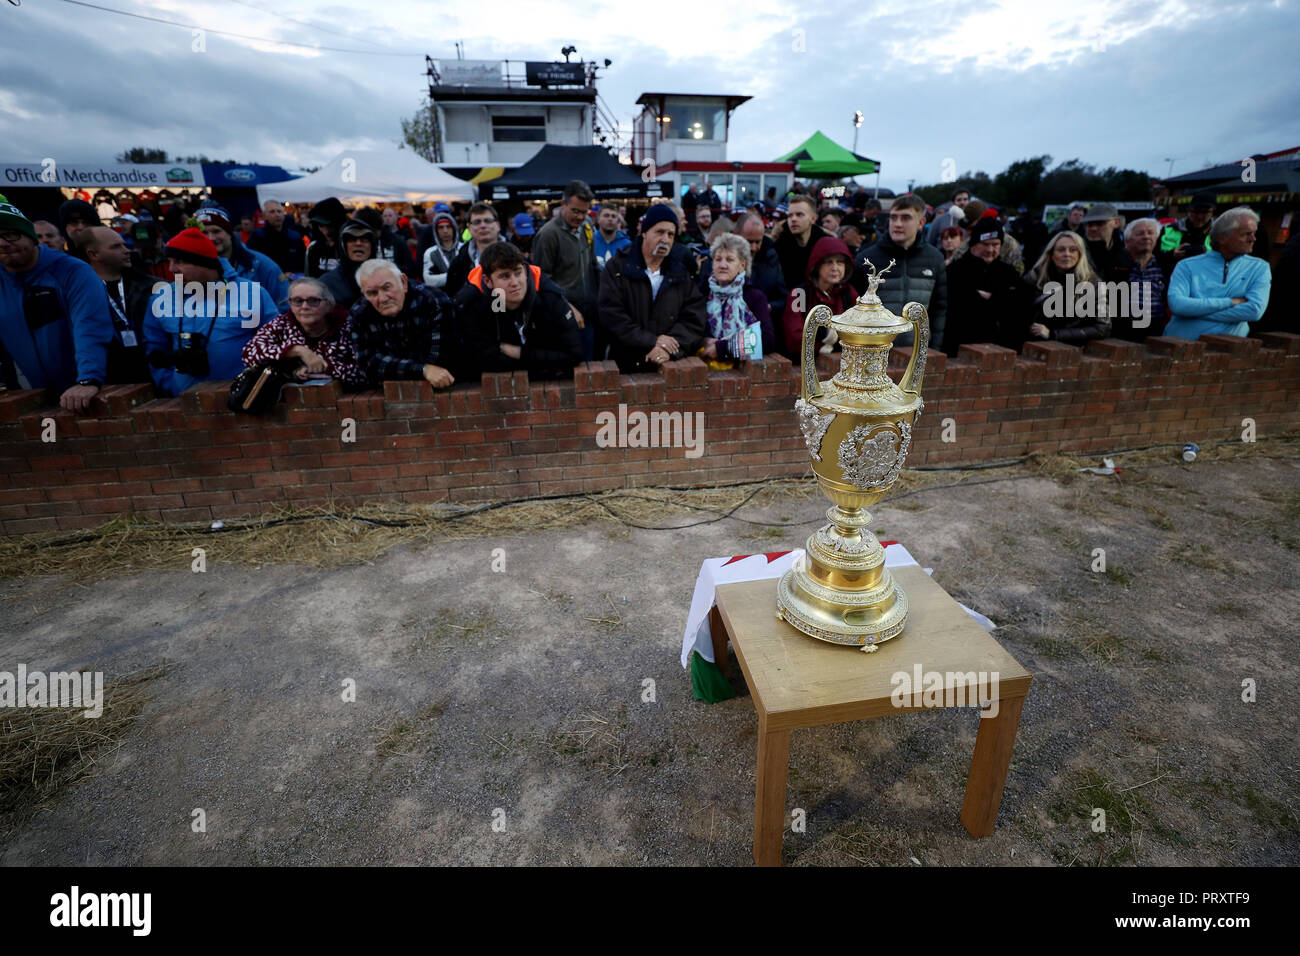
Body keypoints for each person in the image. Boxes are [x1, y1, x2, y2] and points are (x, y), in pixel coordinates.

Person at [0, 197, 113, 411]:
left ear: (31, 237)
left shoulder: (71, 271)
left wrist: (88, 379)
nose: (3, 243)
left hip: (89, 393)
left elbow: (90, 326)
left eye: (11, 234)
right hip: (30, 398)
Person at [142, 228, 276, 397]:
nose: (171, 269)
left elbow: (275, 340)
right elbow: (154, 347)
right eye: (169, 261)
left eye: (179, 262)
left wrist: (258, 384)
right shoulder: (161, 298)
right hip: (185, 401)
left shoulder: (251, 293)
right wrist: (169, 384)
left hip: (243, 398)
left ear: (204, 263)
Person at [597, 203, 707, 372]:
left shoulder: (680, 272)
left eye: (671, 234)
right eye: (660, 232)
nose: (665, 239)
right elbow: (611, 314)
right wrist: (651, 341)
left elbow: (694, 318)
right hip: (624, 365)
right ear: (644, 232)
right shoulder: (618, 267)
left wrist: (668, 348)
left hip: (668, 368)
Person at [454, 241, 582, 381]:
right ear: (488, 281)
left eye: (518, 273)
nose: (514, 282)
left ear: (525, 272)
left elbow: (574, 354)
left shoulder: (549, 296)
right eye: (505, 276)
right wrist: (541, 358)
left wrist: (520, 353)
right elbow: (478, 359)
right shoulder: (473, 302)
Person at [854, 194, 947, 351]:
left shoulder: (935, 258)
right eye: (894, 218)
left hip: (919, 351)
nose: (897, 224)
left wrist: (934, 348)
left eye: (905, 218)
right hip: (875, 351)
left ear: (921, 222)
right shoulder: (867, 258)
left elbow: (939, 308)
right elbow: (854, 308)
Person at [1164, 207, 1271, 340]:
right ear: (1222, 238)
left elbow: (1254, 311)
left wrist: (1193, 312)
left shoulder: (1259, 267)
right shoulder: (1186, 266)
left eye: (1254, 233)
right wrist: (1230, 302)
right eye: (1245, 234)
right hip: (1180, 346)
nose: (1253, 239)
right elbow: (1178, 305)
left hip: (1229, 351)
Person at [350, 259, 457, 389]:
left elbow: (439, 364)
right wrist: (422, 369)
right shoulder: (360, 313)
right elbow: (369, 366)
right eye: (372, 293)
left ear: (404, 282)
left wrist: (393, 367)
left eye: (387, 288)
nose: (382, 298)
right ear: (364, 294)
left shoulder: (433, 301)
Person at [241, 276, 366, 387]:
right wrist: (297, 351)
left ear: (329, 305)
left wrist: (324, 366)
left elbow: (364, 371)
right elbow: (249, 353)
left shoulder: (348, 325)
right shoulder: (281, 324)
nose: (305, 307)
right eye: (298, 301)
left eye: (313, 301)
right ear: (290, 304)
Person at [943, 217, 1036, 356]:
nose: (990, 249)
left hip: (1001, 351)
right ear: (974, 244)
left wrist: (995, 297)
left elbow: (1024, 302)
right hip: (962, 350)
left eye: (995, 244)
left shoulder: (1008, 272)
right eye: (985, 244)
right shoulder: (955, 271)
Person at [532, 181, 599, 357]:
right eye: (575, 211)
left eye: (584, 212)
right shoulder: (547, 235)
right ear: (563, 204)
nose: (579, 217)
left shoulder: (587, 227)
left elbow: (593, 265)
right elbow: (540, 280)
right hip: (562, 318)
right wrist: (567, 307)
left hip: (589, 314)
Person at [80, 226, 153, 384]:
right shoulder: (79, 293)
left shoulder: (150, 286)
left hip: (153, 373)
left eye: (124, 245)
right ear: (93, 254)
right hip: (110, 379)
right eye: (116, 246)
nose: (126, 250)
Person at [697, 233, 775, 369]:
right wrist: (703, 341)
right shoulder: (701, 292)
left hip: (741, 374)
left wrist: (723, 348)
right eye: (718, 259)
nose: (723, 265)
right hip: (704, 369)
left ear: (742, 265)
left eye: (730, 260)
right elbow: (690, 328)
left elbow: (767, 340)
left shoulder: (755, 297)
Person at [195, 203, 290, 310]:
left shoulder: (261, 265)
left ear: (229, 233)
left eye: (216, 231)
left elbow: (284, 306)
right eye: (203, 232)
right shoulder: (187, 267)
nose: (210, 238)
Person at [1023, 231, 1110, 344]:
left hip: (1071, 348)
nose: (1067, 254)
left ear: (1080, 254)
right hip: (1031, 344)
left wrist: (1054, 334)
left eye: (1073, 250)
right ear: (1051, 254)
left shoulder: (1094, 284)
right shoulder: (1034, 277)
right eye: (1061, 250)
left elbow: (1102, 328)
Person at [782, 235, 858, 358]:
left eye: (840, 262)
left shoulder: (849, 293)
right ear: (817, 265)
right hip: (803, 366)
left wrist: (823, 338)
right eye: (829, 262)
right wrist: (828, 344)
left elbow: (857, 334)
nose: (835, 268)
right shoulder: (799, 294)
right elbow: (794, 339)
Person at [1109, 218, 1168, 339]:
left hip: (1157, 333)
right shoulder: (1116, 264)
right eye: (1140, 234)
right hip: (1123, 333)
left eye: (1150, 233)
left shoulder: (1165, 266)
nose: (1146, 237)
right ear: (1128, 240)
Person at [445, 202, 506, 297]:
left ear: (498, 226)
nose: (483, 226)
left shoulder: (517, 257)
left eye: (487, 221)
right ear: (469, 228)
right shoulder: (458, 265)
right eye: (477, 222)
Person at [736, 212, 787, 326]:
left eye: (758, 242)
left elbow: (785, 299)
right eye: (748, 242)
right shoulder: (719, 259)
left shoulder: (773, 261)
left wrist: (769, 306)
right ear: (737, 235)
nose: (753, 248)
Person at [773, 195, 830, 291]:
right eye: (790, 215)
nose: (793, 219)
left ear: (813, 219)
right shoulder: (777, 246)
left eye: (799, 214)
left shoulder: (827, 246)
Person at [320, 218, 379, 310]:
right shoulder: (328, 282)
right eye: (352, 239)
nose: (358, 243)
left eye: (364, 240)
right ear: (343, 246)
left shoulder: (386, 278)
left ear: (372, 246)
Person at [354, 206, 418, 280]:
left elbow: (412, 270)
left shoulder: (397, 240)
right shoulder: (360, 244)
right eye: (385, 216)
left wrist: (388, 269)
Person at [247, 199, 305, 275]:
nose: (277, 215)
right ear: (265, 216)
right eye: (272, 212)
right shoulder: (258, 236)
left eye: (279, 211)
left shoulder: (294, 237)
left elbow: (302, 263)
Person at [1159, 191, 1214, 267]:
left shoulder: (1219, 232)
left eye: (1205, 212)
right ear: (1188, 210)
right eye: (1196, 211)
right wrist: (1172, 255)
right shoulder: (1168, 230)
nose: (1199, 217)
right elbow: (1155, 258)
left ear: (1213, 212)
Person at [1080, 202, 1125, 280]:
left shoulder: (1127, 252)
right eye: (1089, 224)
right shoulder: (1075, 251)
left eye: (1100, 223)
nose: (1093, 228)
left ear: (1116, 222)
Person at [305, 197, 348, 278]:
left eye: (328, 225)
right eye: (319, 225)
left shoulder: (348, 246)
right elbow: (310, 278)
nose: (324, 229)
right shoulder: (314, 248)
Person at [422, 211, 463, 291]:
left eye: (448, 227)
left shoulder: (464, 249)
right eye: (441, 227)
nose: (445, 231)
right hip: (442, 295)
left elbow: (471, 276)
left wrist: (442, 277)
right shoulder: (430, 253)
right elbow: (429, 280)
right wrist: (455, 276)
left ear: (454, 229)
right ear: (436, 231)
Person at [593, 205, 631, 270]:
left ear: (618, 221)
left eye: (613, 216)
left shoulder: (627, 245)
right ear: (598, 219)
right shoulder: (590, 241)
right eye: (606, 215)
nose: (610, 219)